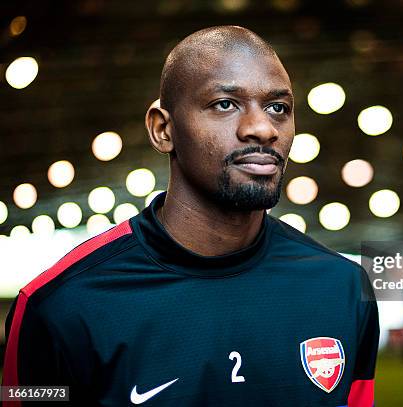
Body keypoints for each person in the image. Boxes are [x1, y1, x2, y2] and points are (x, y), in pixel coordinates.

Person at [2, 26, 379, 406]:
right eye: (225, 104)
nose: (262, 128)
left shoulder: (342, 288)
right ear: (163, 129)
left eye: (278, 108)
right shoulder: (57, 307)